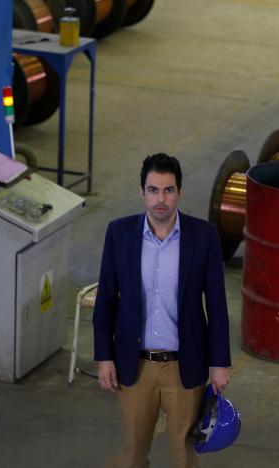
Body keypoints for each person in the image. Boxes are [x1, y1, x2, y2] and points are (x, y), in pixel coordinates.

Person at [93, 153, 231, 468]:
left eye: (168, 190)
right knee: (133, 455)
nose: (160, 199)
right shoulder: (119, 234)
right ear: (142, 191)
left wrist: (219, 363)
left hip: (184, 367)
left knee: (184, 455)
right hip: (135, 365)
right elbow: (106, 301)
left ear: (179, 192)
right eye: (153, 190)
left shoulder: (203, 237)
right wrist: (104, 357)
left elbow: (217, 305)